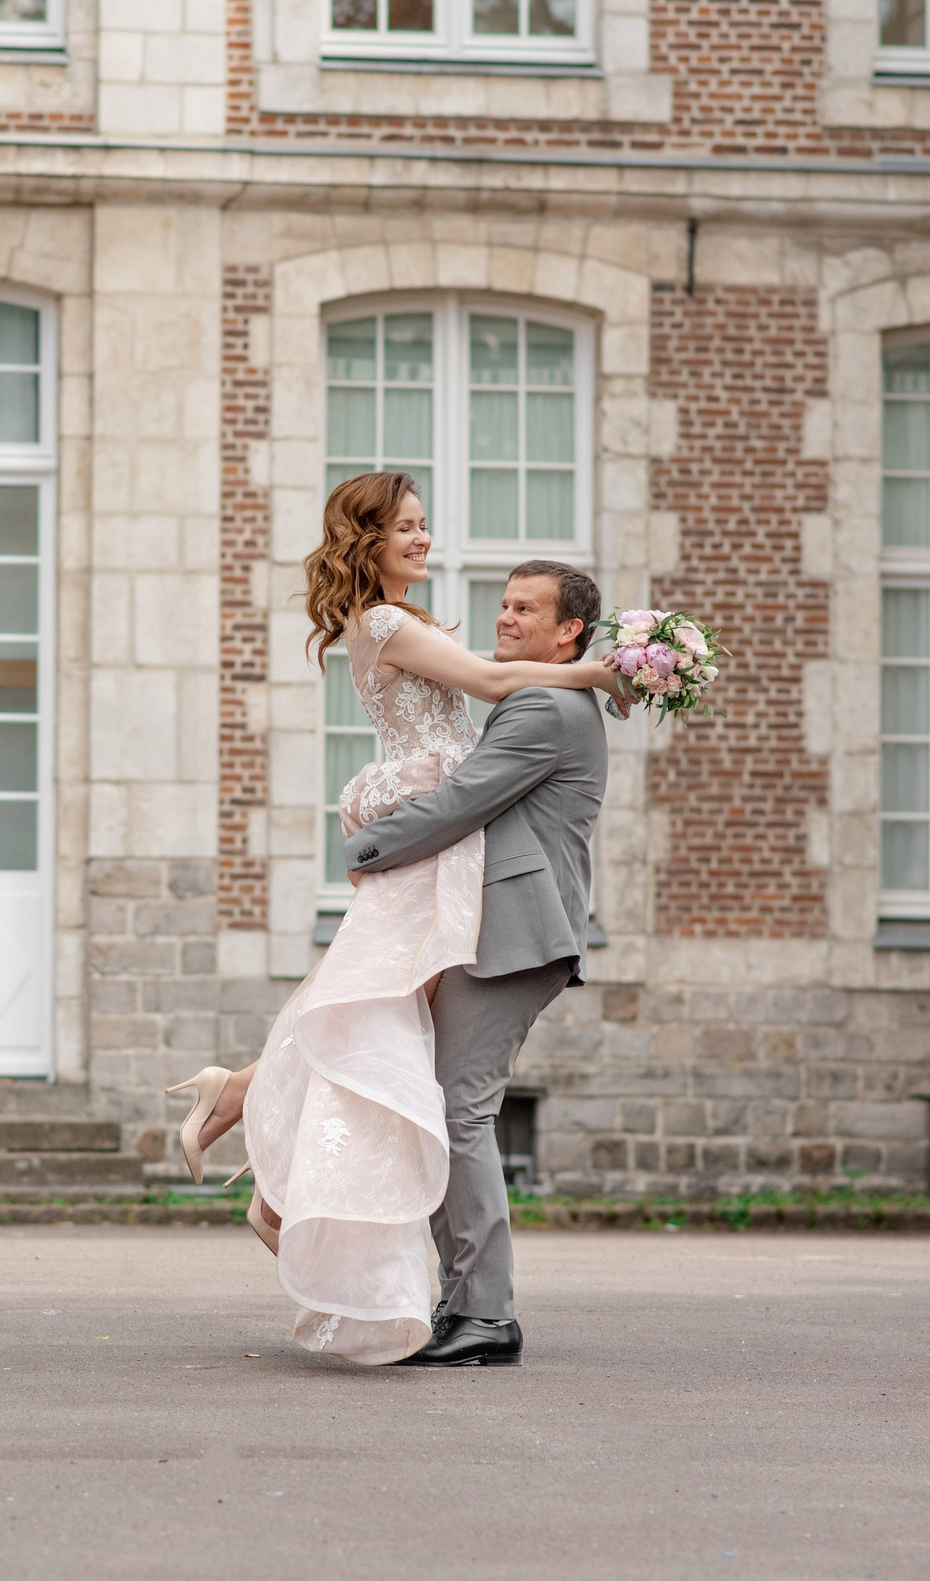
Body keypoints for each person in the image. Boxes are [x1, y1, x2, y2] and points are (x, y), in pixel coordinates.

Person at [165, 470, 627, 1365]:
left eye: (523, 606)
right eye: (406, 527)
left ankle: (256, 1111)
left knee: (398, 1046)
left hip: (494, 901)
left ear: (567, 625)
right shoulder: (393, 626)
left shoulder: (536, 698)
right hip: (450, 871)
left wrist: (373, 848)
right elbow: (491, 687)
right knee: (379, 1028)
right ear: (367, 539)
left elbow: (484, 742)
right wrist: (606, 670)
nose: (423, 538)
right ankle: (281, 1152)